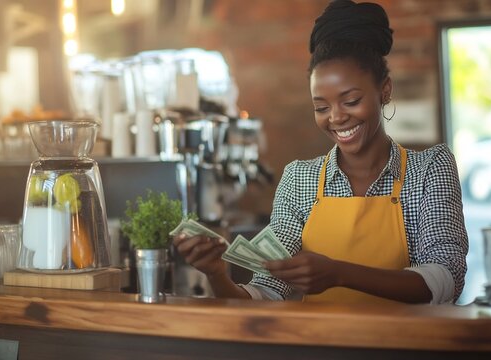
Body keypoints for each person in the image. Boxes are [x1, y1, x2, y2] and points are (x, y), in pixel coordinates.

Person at [174, 0, 468, 304]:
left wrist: (340, 274)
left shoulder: (430, 169)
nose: (336, 117)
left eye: (351, 101)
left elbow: (446, 279)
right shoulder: (300, 178)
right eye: (321, 107)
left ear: (385, 90)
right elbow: (266, 293)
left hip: (405, 349)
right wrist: (217, 274)